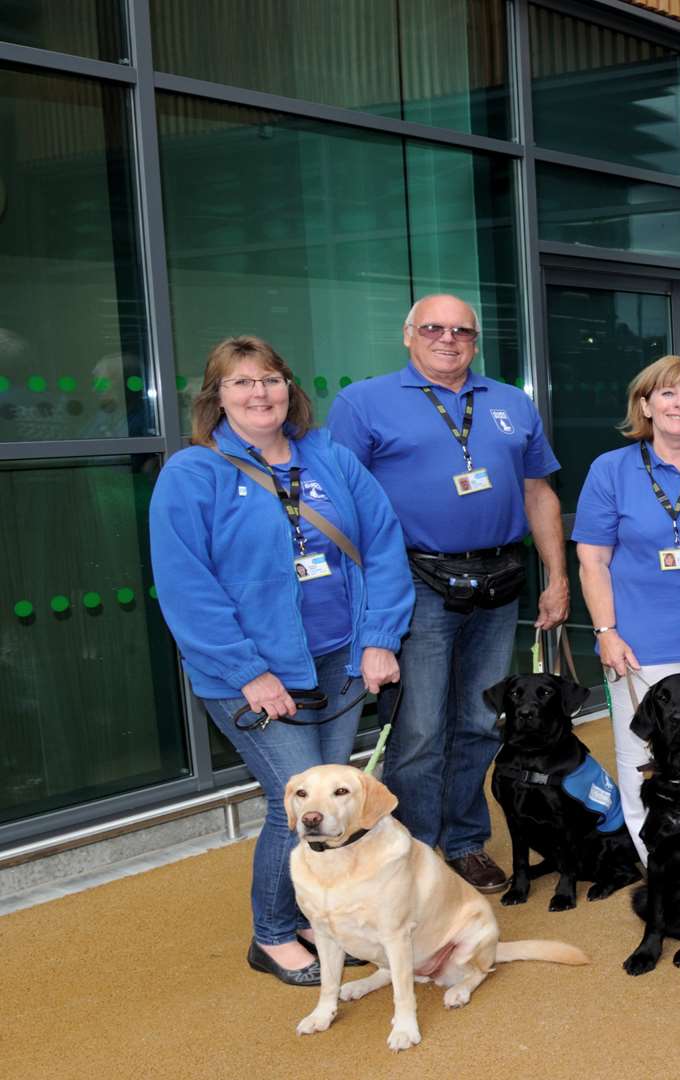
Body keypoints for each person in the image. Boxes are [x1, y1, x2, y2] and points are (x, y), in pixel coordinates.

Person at [149, 336, 411, 985]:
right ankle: (270, 935)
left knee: (325, 798)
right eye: (240, 383)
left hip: (338, 663)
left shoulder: (332, 458)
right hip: (253, 674)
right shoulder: (193, 473)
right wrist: (248, 672)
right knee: (294, 805)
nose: (258, 393)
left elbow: (381, 546)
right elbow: (188, 586)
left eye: (269, 379)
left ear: (289, 389)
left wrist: (378, 638)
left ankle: (304, 920)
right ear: (217, 399)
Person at [327, 294, 569, 894]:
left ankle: (464, 843)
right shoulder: (363, 403)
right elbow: (341, 505)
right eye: (433, 327)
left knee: (483, 723)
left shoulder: (512, 403)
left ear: (477, 340)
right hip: (415, 582)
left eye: (462, 330)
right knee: (418, 730)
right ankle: (409, 852)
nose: (448, 338)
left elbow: (538, 493)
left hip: (501, 580)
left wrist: (556, 577)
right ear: (408, 334)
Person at [573, 356, 680, 860]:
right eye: (668, 394)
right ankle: (662, 869)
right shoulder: (611, 469)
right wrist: (606, 631)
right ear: (645, 405)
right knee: (640, 762)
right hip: (638, 644)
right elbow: (593, 561)